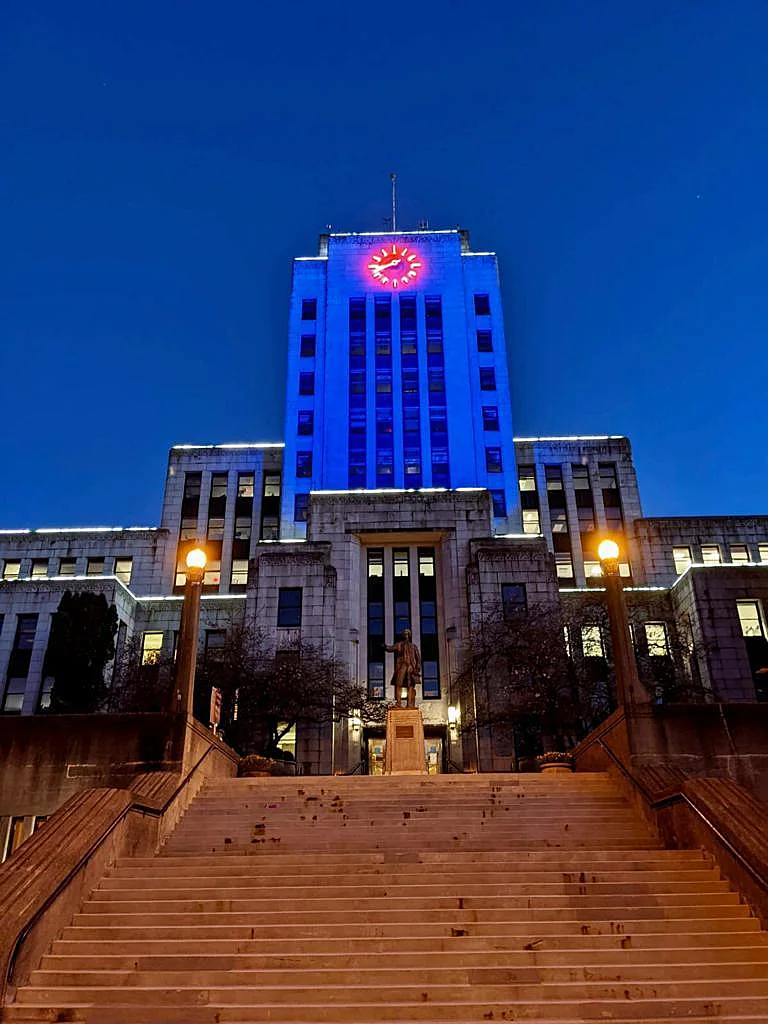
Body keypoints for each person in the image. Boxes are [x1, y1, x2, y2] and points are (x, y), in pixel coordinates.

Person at [384, 629, 421, 708]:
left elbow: (418, 658)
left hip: (411, 667)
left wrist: (417, 668)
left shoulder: (413, 646)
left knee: (410, 685)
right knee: (398, 684)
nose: (406, 635)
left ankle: (410, 704)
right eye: (405, 634)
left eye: (408, 634)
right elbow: (390, 648)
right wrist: (385, 646)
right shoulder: (399, 645)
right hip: (402, 666)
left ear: (410, 636)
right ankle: (398, 703)